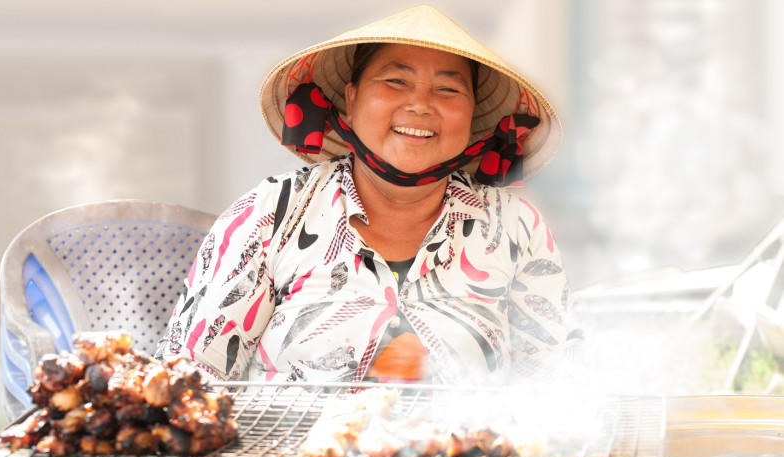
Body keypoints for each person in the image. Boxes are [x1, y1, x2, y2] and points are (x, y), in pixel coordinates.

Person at [155, 5, 583, 385]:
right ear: (352, 99)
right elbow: (190, 375)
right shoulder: (273, 213)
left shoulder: (514, 226)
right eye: (396, 81)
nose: (420, 105)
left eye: (448, 89)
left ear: (472, 117)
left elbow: (556, 383)